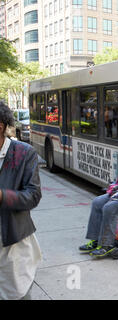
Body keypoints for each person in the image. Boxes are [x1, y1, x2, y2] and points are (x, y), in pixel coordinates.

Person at [0, 102, 42, 300]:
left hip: (13, 243)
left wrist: (2, 195)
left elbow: (33, 195)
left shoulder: (24, 153)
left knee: (18, 294)